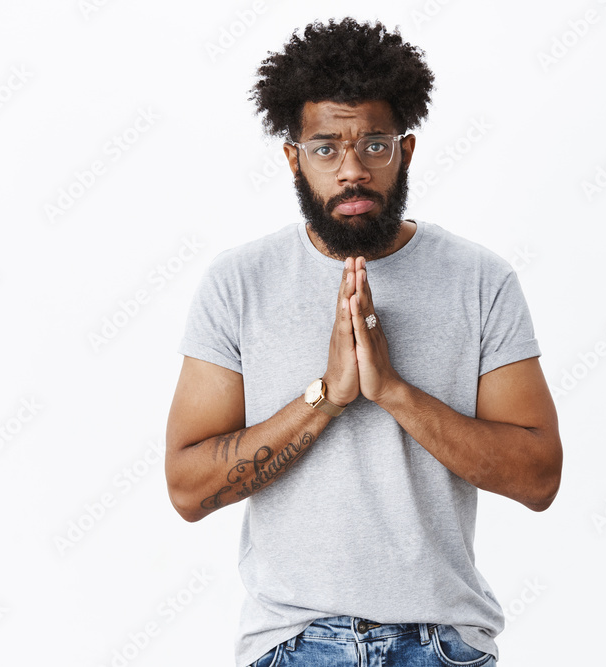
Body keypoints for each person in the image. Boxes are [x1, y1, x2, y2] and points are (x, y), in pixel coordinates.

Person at [164, 17, 562, 667]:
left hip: (442, 643)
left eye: (373, 145)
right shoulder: (239, 283)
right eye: (326, 148)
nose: (352, 171)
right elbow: (188, 487)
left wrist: (395, 393)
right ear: (293, 158)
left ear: (404, 150)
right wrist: (326, 397)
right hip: (294, 643)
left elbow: (538, 477)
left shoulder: (481, 280)